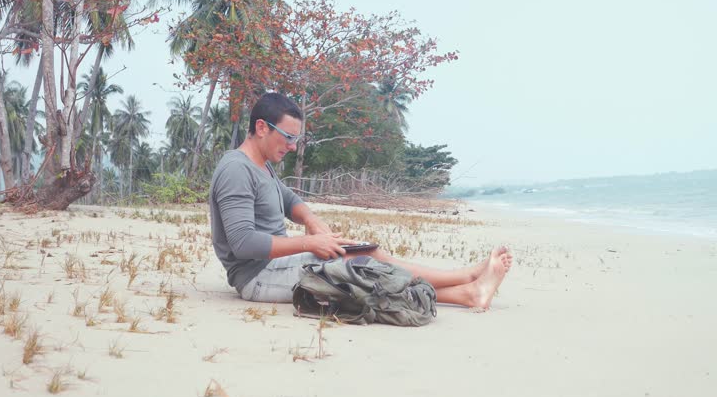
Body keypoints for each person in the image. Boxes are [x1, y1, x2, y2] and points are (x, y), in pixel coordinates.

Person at [210, 93, 511, 309]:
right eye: (288, 137)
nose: (291, 146)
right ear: (262, 127)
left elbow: (286, 198)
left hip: (278, 264)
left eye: (296, 140)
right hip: (257, 277)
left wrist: (312, 221)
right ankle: (467, 280)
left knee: (368, 253)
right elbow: (243, 243)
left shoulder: (262, 164)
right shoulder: (236, 168)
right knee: (360, 267)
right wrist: (308, 244)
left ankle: (468, 292)